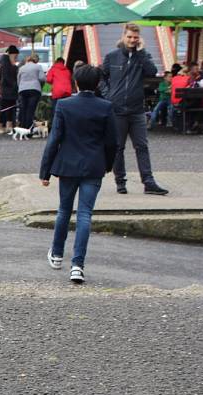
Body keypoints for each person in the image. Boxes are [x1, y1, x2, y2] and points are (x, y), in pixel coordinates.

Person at [40, 65, 117, 284]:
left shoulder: (64, 105)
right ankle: (77, 265)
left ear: (75, 83)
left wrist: (45, 171)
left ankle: (56, 254)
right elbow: (113, 142)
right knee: (85, 214)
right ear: (97, 84)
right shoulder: (106, 107)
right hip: (94, 165)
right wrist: (108, 165)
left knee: (64, 210)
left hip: (67, 165)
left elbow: (54, 139)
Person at [101, 23, 167, 195]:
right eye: (129, 37)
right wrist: (108, 95)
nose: (132, 40)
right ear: (124, 36)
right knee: (118, 147)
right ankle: (120, 182)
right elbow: (101, 77)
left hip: (137, 109)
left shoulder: (142, 56)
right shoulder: (111, 56)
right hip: (117, 109)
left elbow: (152, 72)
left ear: (139, 39)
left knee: (142, 146)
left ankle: (148, 182)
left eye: (135, 37)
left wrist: (142, 52)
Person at [17, 53, 45, 129]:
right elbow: (42, 78)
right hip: (34, 89)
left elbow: (18, 80)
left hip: (22, 90)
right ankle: (29, 129)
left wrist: (21, 87)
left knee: (23, 109)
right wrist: (40, 85)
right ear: (35, 60)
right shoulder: (38, 67)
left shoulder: (22, 68)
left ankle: (22, 128)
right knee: (30, 109)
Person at [0, 45, 19, 134]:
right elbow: (7, 78)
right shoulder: (6, 63)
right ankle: (1, 125)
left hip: (9, 90)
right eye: (15, 56)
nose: (16, 58)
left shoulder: (6, 62)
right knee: (5, 108)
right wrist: (14, 85)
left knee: (10, 108)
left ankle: (8, 125)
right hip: (7, 90)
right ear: (12, 54)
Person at [46, 57, 72, 129]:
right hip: (67, 92)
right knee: (66, 110)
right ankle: (66, 126)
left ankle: (55, 127)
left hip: (57, 92)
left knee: (56, 110)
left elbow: (48, 79)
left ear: (56, 62)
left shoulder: (53, 69)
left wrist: (48, 87)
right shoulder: (67, 70)